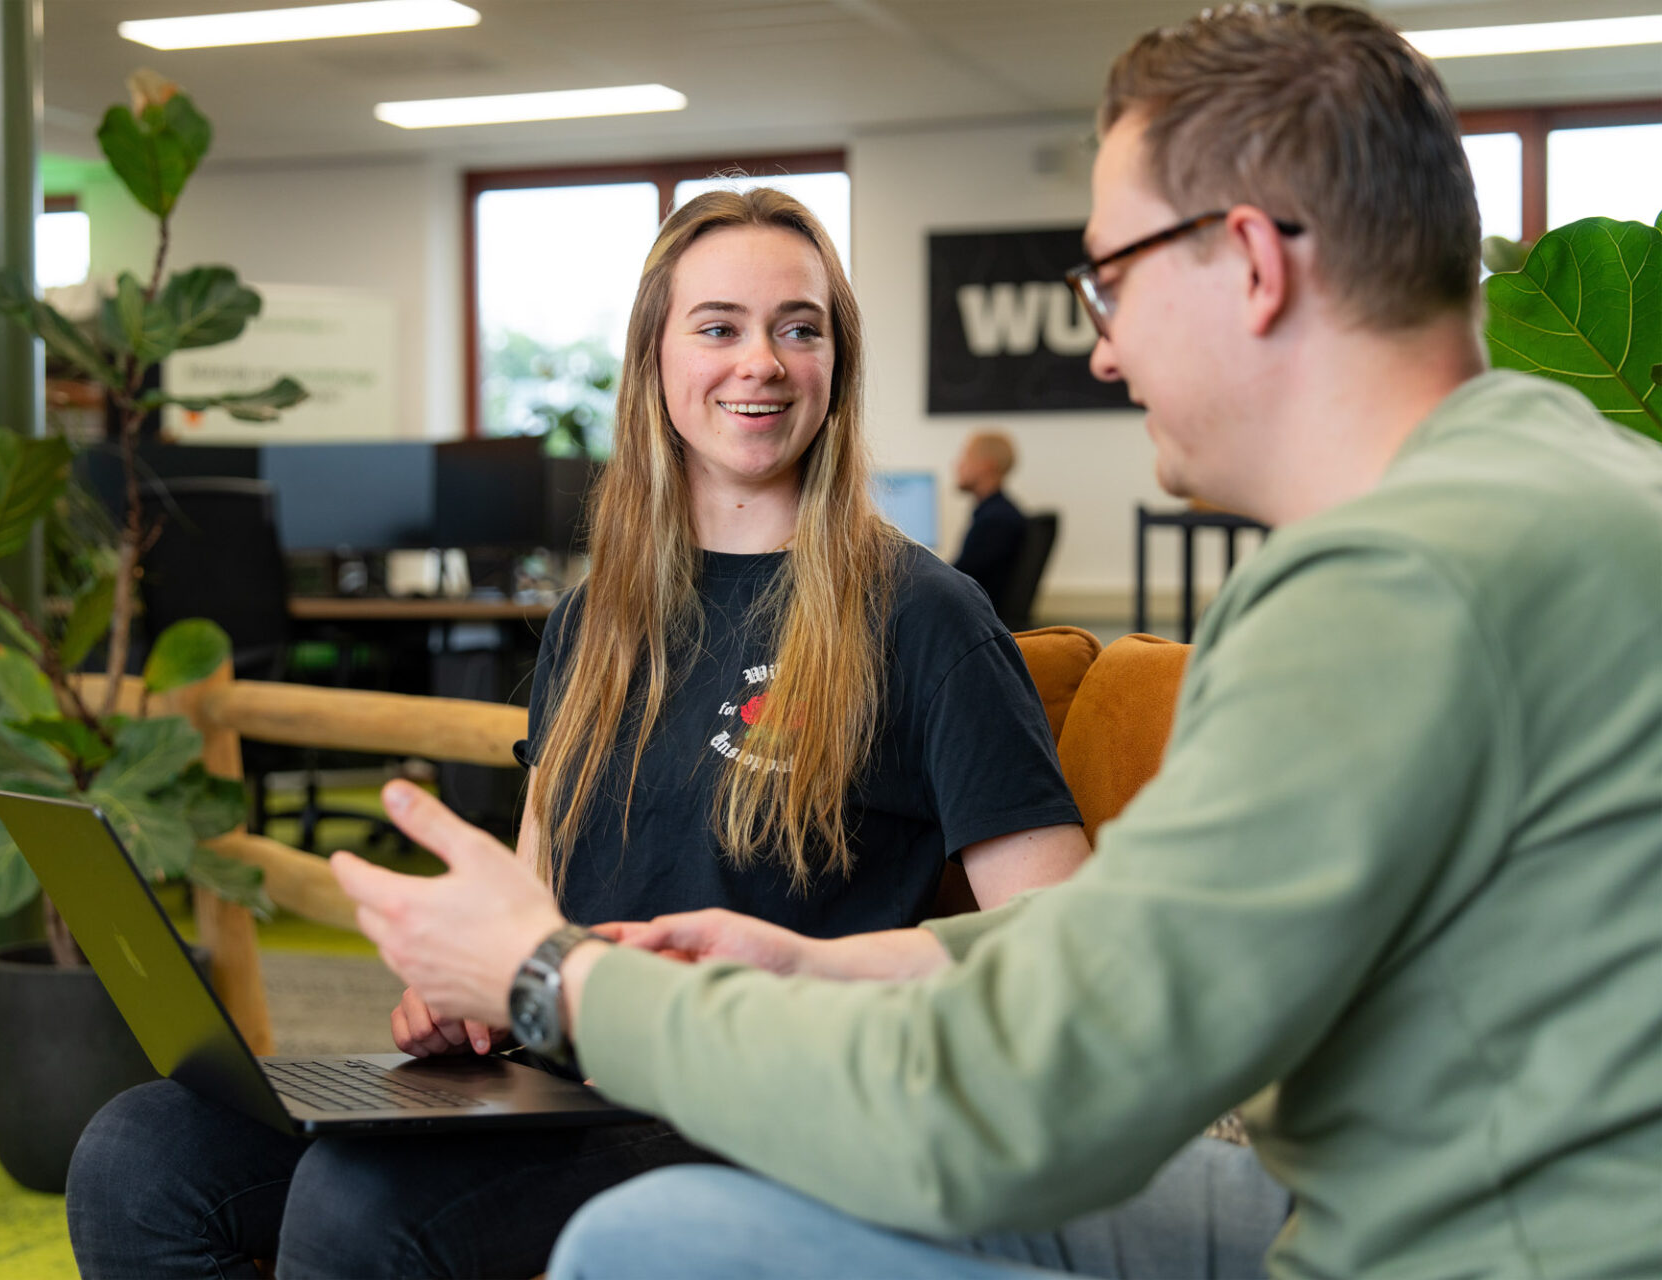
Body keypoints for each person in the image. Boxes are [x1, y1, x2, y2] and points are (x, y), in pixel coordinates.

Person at [331, 6, 1662, 1278]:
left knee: (659, 1243)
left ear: (1253, 262)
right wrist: (828, 961)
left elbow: (1032, 1099)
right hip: (1395, 1184)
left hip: (1445, 1248)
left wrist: (555, 983)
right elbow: (1145, 945)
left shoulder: (1388, 586)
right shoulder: (1558, 486)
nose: (1103, 350)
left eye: (1113, 279)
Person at [65, 187, 1091, 1279]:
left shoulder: (924, 615)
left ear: (838, 363)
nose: (764, 361)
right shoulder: (595, 620)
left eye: (801, 327)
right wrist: (471, 986)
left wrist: (802, 975)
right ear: (654, 358)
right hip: (560, 1072)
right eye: (719, 326)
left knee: (368, 1203)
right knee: (142, 1150)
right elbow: (537, 898)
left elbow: (1065, 940)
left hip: (761, 1102)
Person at [951, 430, 1027, 604]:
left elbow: (958, 579)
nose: (958, 465)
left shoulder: (996, 520)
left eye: (966, 457)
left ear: (986, 466)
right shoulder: (998, 512)